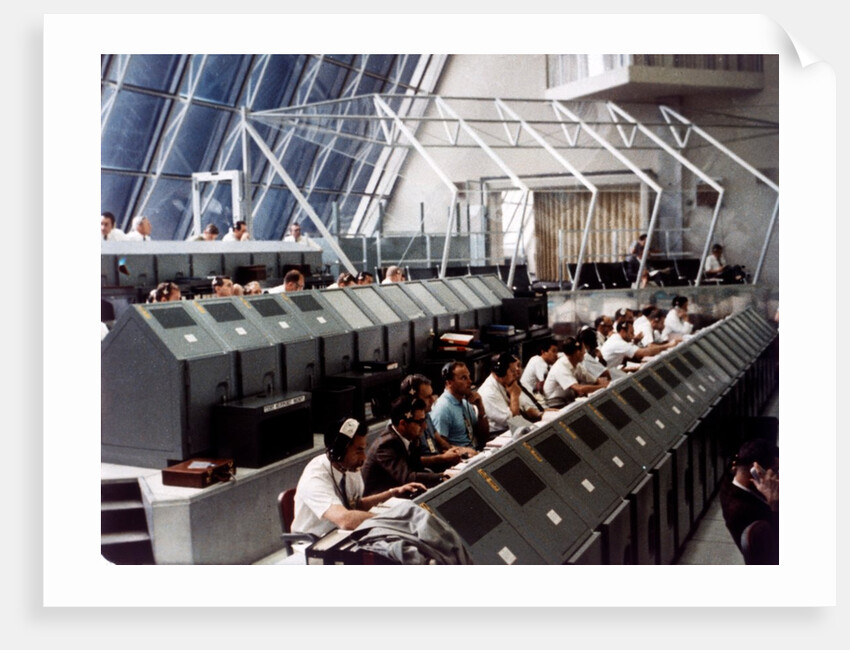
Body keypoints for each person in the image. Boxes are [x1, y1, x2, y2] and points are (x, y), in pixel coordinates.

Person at [291, 417, 427, 538]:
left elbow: (356, 505)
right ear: (339, 451)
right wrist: (393, 520)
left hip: (342, 535)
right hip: (313, 545)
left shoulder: (349, 468)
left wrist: (393, 493)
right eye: (359, 451)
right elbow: (345, 519)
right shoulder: (315, 477)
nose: (364, 457)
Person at [361, 396, 448, 497]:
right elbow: (407, 478)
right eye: (420, 422)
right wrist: (442, 477)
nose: (425, 426)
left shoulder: (412, 437)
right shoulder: (386, 445)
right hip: (380, 501)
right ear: (403, 424)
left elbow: (417, 468)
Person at [718, 438, 779, 564]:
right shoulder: (741, 512)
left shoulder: (731, 480)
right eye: (776, 470)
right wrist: (775, 505)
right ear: (757, 471)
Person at [399, 373, 475, 472]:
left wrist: (461, 451)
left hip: (439, 465)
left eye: (432, 395)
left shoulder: (427, 415)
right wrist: (443, 458)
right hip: (428, 472)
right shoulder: (407, 424)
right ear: (413, 400)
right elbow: (411, 462)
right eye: (427, 397)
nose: (432, 400)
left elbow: (441, 442)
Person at [478, 352, 544, 434]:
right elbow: (513, 421)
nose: (516, 374)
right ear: (500, 374)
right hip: (500, 433)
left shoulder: (508, 383)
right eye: (512, 371)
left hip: (516, 426)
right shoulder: (488, 393)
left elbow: (525, 408)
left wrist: (540, 414)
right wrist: (514, 396)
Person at [429, 361, 490, 450]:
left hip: (476, 453)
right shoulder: (442, 408)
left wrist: (480, 408)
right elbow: (440, 447)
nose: (470, 381)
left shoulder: (465, 403)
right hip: (461, 459)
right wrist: (465, 452)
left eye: (469, 376)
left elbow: (483, 437)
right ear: (449, 383)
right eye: (464, 378)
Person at [543, 336, 609, 409]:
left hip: (568, 401)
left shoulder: (577, 365)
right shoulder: (560, 367)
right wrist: (604, 386)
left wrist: (607, 384)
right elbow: (579, 388)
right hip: (556, 405)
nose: (584, 353)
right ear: (578, 353)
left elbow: (595, 380)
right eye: (583, 350)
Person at [601, 318, 675, 370]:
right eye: (631, 333)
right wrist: (668, 345)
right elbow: (643, 352)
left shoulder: (617, 338)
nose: (633, 335)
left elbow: (629, 356)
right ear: (623, 331)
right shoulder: (618, 343)